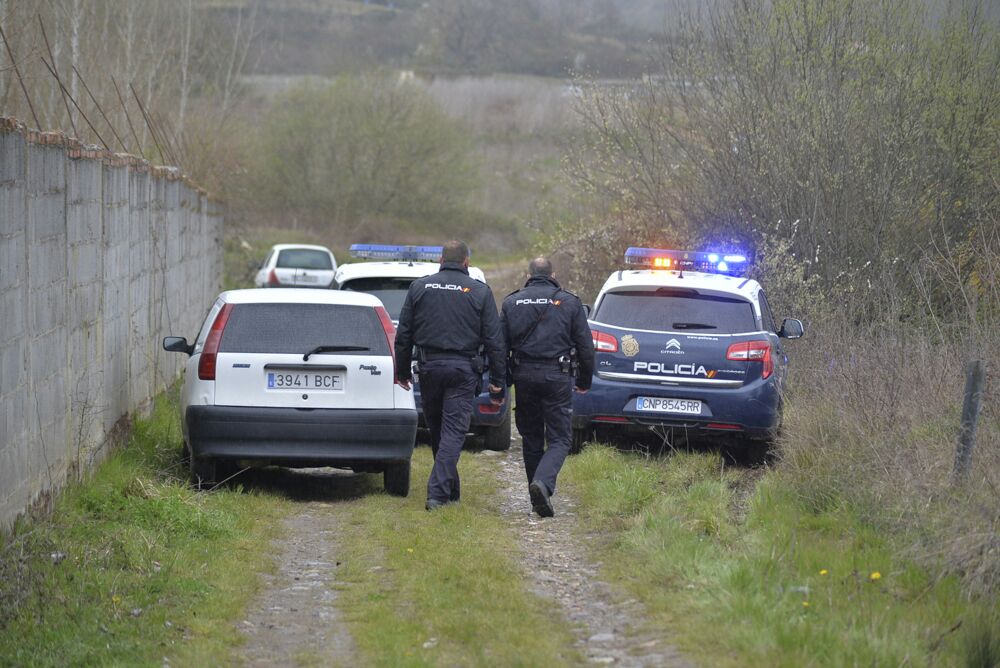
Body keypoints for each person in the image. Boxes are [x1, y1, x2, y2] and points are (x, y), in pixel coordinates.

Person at [395, 240, 506, 510]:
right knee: (453, 432)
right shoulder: (480, 292)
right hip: (462, 370)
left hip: (429, 368)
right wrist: (498, 383)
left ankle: (449, 489)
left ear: (440, 260)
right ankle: (438, 494)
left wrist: (401, 372)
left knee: (439, 432)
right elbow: (495, 341)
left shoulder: (419, 287)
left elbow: (404, 335)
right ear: (466, 261)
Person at [501, 257, 594, 517]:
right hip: (557, 376)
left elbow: (500, 347)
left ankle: (537, 496)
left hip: (524, 375)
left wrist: (502, 381)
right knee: (560, 439)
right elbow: (586, 347)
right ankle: (542, 484)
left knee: (531, 438)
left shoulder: (512, 302)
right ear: (553, 274)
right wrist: (585, 381)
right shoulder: (570, 302)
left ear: (529, 274)